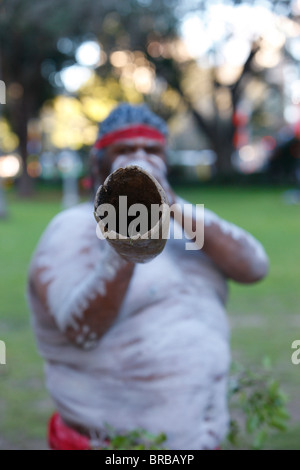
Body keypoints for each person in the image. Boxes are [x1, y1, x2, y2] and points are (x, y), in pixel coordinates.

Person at [27, 103, 269, 451]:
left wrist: (170, 204)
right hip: (115, 446)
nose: (140, 157)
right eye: (124, 150)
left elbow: (254, 267)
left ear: (166, 161)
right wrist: (128, 228)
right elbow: (83, 328)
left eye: (152, 150)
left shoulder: (188, 224)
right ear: (99, 163)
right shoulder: (74, 227)